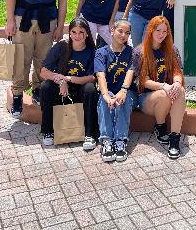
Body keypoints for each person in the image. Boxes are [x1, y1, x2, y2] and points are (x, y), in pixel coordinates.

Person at [5, 0, 71, 116]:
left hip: (47, 19)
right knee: (20, 58)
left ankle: (38, 89)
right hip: (23, 16)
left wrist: (60, 26)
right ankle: (18, 94)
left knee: (43, 58)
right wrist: (10, 20)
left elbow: (63, 0)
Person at [128, 16, 186, 159]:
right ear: (151, 31)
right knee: (163, 94)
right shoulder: (140, 52)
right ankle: (160, 127)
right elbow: (144, 81)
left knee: (181, 91)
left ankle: (174, 139)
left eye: (164, 31)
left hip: (167, 94)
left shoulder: (172, 49)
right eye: (158, 30)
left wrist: (177, 84)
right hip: (147, 99)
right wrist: (164, 86)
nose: (161, 34)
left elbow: (177, 72)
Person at [39, 17, 98, 149]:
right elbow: (43, 71)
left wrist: (67, 79)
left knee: (90, 89)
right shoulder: (61, 47)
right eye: (74, 32)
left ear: (87, 33)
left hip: (80, 90)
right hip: (61, 91)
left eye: (81, 32)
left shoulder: (91, 52)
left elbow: (92, 78)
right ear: (69, 33)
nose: (77, 36)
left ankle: (90, 134)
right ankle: (48, 131)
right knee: (46, 86)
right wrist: (61, 81)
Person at [95, 19, 136, 162]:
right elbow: (100, 75)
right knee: (104, 99)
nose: (123, 35)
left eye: (127, 33)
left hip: (128, 92)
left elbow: (130, 72)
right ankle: (106, 141)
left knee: (122, 99)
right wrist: (106, 94)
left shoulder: (132, 52)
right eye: (120, 31)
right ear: (112, 31)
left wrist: (123, 90)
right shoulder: (101, 52)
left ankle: (120, 141)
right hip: (109, 91)